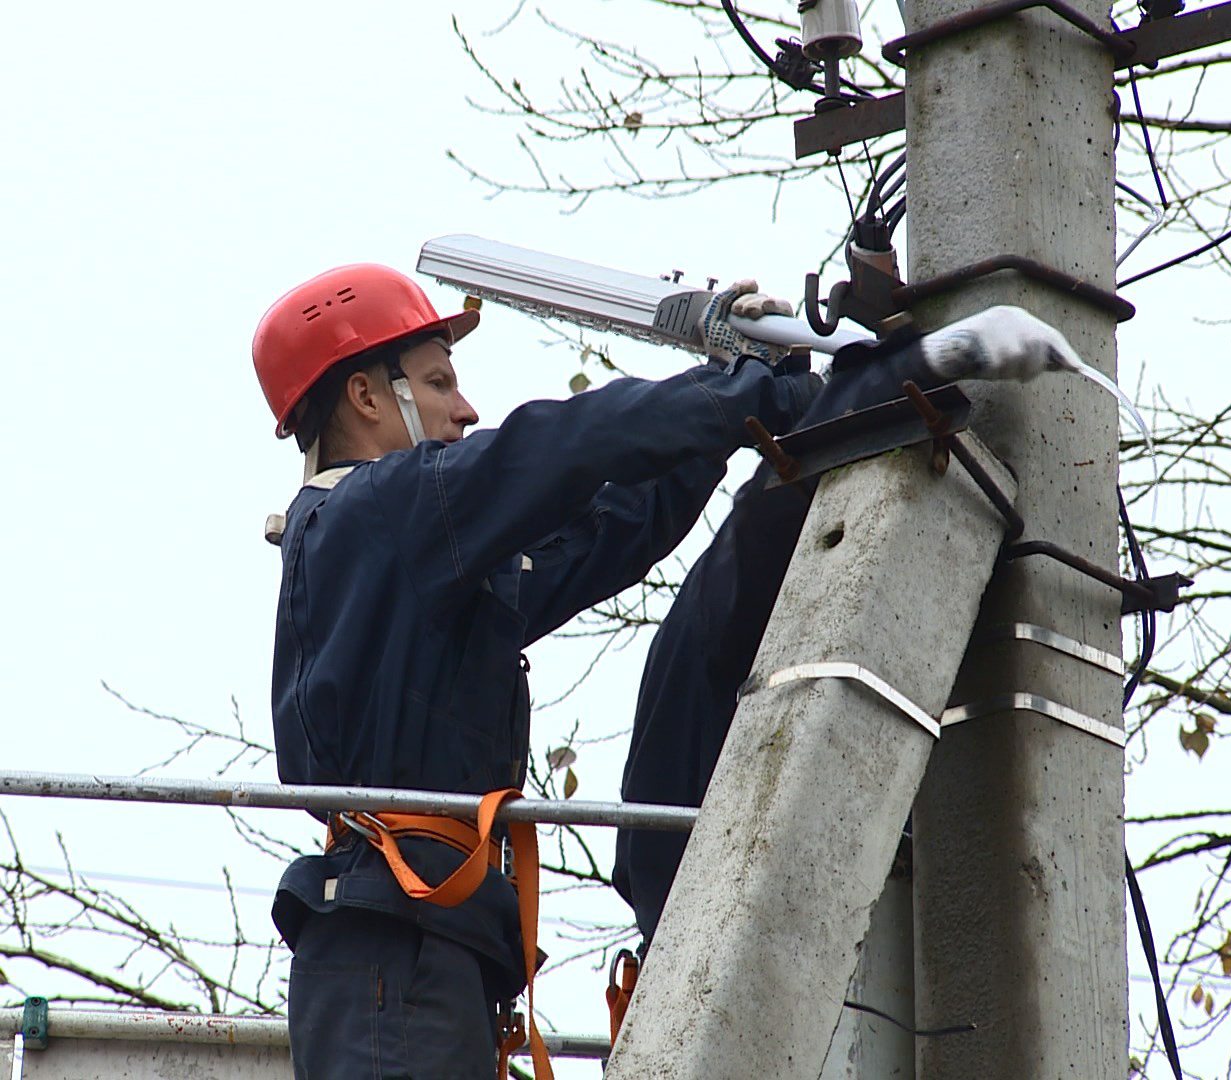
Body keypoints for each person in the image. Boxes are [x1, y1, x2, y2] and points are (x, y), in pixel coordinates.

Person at [251, 262, 818, 1080]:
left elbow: (613, 526)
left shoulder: (414, 563)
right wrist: (732, 390)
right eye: (439, 380)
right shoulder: (376, 515)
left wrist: (734, 412)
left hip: (421, 948)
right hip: (396, 950)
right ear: (367, 398)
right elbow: (557, 447)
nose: (466, 407)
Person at [613, 305, 1089, 950]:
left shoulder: (723, 625)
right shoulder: (724, 612)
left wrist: (753, 382)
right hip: (722, 934)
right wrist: (927, 361)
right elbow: (768, 519)